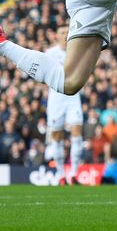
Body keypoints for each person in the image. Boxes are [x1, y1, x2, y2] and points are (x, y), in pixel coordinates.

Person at [44, 25, 84, 185]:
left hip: (73, 97)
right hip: (56, 99)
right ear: (56, 36)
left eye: (67, 32)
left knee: (77, 134)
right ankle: (61, 175)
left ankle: (74, 173)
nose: (65, 35)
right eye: (62, 32)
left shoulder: (77, 51)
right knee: (57, 137)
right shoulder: (50, 54)